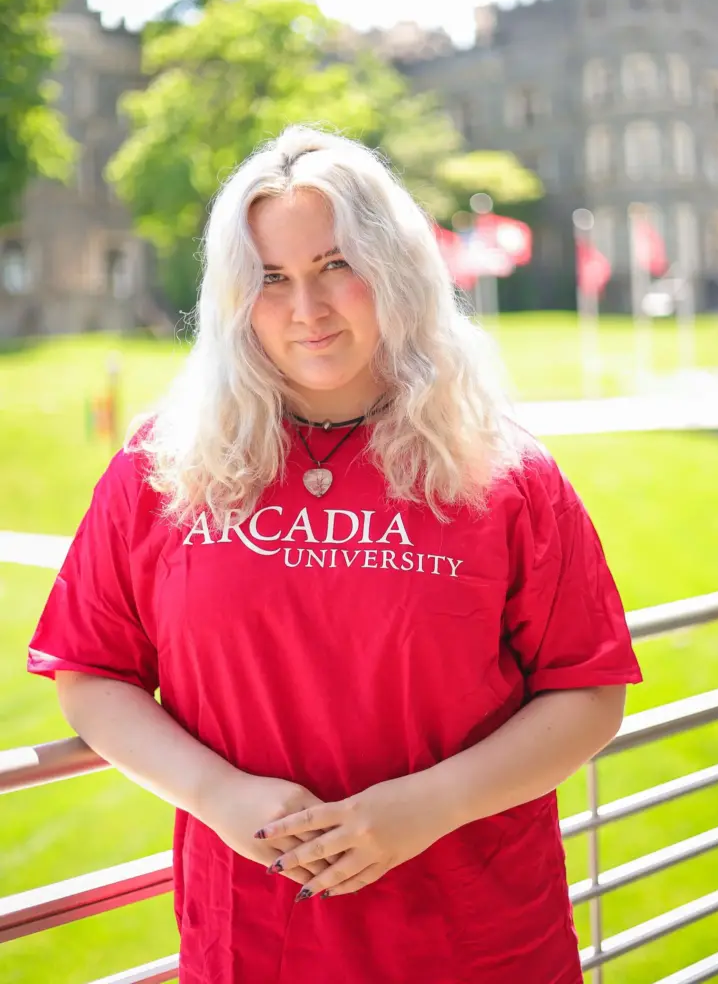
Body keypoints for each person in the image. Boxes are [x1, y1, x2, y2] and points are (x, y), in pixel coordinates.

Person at [28, 125, 642, 984]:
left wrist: (426, 808)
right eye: (270, 279)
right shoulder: (162, 465)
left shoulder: (503, 470)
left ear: (393, 272)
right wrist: (216, 795)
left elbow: (587, 691)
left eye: (334, 267)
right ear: (234, 296)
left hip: (476, 941)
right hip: (254, 943)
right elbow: (92, 673)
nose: (306, 309)